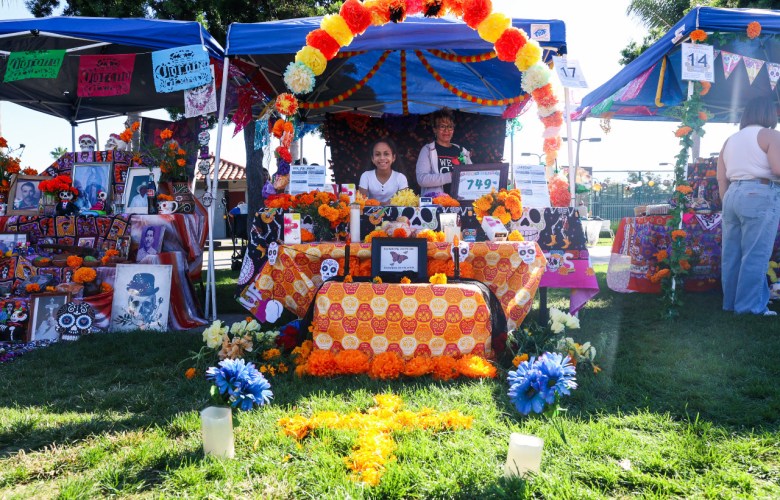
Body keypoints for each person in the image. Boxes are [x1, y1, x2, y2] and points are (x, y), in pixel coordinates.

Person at [717, 95, 780, 316]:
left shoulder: (730, 140)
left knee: (732, 254)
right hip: (760, 192)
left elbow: (721, 178)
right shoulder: (770, 135)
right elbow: (778, 169)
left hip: (732, 194)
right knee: (755, 254)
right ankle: (749, 308)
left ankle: (731, 303)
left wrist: (727, 200)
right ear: (769, 114)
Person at [416, 109, 472, 195]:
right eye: (442, 126)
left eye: (450, 127)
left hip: (461, 202)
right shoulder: (428, 150)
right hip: (436, 204)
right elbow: (422, 179)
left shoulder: (462, 150)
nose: (446, 131)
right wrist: (450, 176)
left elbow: (472, 174)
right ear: (435, 129)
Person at [358, 138, 409, 205]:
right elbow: (361, 201)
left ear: (393, 157)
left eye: (386, 154)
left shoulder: (401, 178)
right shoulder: (366, 176)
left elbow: (405, 202)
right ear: (372, 159)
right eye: (377, 154)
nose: (382, 158)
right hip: (370, 214)